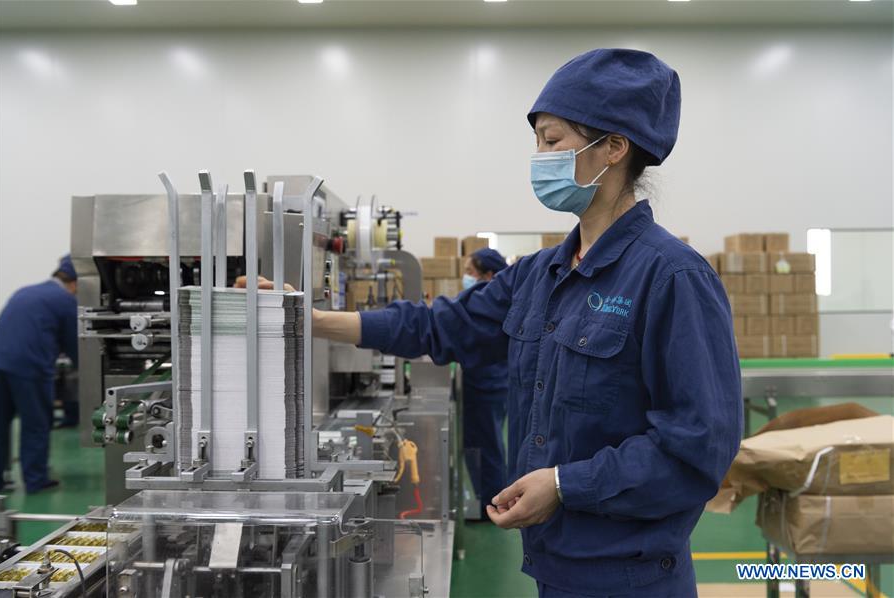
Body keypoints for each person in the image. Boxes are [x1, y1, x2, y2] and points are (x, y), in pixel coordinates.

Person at [303, 48, 741, 596]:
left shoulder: (672, 277)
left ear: (614, 147)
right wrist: (312, 319)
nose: (540, 157)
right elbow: (442, 326)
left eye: (553, 141)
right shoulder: (539, 274)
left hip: (631, 576)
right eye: (537, 142)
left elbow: (697, 447)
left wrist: (564, 484)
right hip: (553, 567)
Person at [0, 255, 79, 493]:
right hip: (29, 367)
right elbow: (75, 345)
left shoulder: (25, 291)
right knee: (36, 422)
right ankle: (36, 480)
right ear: (77, 283)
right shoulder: (65, 300)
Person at [461, 248, 510, 519]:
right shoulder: (489, 301)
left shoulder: (491, 306)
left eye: (470, 272)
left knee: (487, 446)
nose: (466, 277)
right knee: (484, 444)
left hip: (488, 385)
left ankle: (492, 504)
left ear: (489, 275)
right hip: (487, 382)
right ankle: (488, 499)